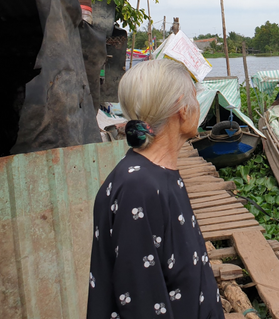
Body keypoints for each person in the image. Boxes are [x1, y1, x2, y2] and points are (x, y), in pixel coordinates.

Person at [87, 59, 223, 319]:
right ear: (182, 108)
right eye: (195, 97)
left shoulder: (159, 176)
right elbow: (141, 302)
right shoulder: (138, 188)